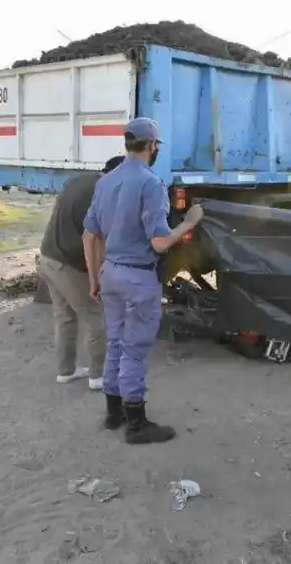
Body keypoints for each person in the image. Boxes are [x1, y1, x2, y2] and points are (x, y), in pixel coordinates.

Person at [82, 117, 204, 445]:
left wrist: (95, 278)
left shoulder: (105, 182)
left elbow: (88, 235)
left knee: (115, 344)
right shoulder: (151, 184)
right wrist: (189, 222)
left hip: (111, 272)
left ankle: (114, 414)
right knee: (134, 351)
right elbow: (160, 243)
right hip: (138, 279)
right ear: (152, 146)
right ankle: (136, 424)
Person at [37, 155, 126, 390]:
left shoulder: (81, 181)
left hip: (47, 258)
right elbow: (94, 242)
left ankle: (66, 371)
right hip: (68, 265)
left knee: (65, 317)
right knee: (98, 318)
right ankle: (99, 376)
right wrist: (96, 280)